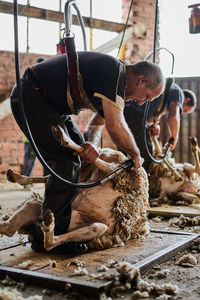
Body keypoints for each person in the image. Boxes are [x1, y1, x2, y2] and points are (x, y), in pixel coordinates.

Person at [10, 51, 165, 252]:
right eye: (146, 97)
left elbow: (95, 126)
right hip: (32, 96)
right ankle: (47, 236)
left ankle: (62, 215)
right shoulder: (114, 73)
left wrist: (90, 145)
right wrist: (135, 154)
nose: (142, 102)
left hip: (52, 106)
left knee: (79, 157)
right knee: (67, 162)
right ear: (142, 81)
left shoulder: (116, 82)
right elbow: (115, 125)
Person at [124, 78, 197, 171]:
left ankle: (125, 178)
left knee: (126, 149)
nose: (181, 112)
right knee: (146, 152)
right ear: (186, 100)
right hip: (133, 110)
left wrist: (153, 125)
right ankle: (139, 181)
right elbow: (174, 116)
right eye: (185, 110)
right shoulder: (179, 93)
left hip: (129, 111)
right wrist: (174, 137)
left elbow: (150, 116)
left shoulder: (166, 100)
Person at [22, 56, 48, 190]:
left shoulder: (46, 87)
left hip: (44, 133)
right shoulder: (29, 85)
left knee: (47, 159)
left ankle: (48, 182)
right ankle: (26, 181)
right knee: (30, 159)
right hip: (31, 134)